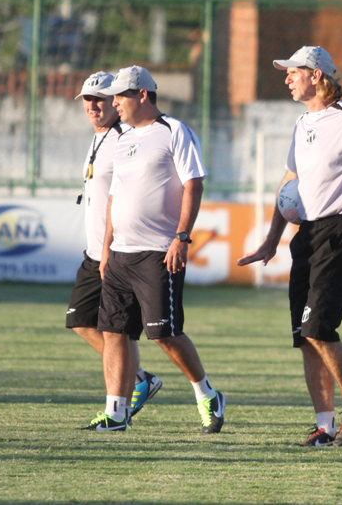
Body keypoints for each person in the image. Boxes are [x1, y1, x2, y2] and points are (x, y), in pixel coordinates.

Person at [238, 46, 342, 447]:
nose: (287, 78)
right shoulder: (302, 124)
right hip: (308, 235)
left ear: (316, 75)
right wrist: (271, 239)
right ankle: (325, 425)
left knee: (320, 326)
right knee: (304, 334)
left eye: (293, 72)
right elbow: (289, 186)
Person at [84, 65, 226, 433]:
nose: (114, 102)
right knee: (115, 332)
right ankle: (116, 413)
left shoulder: (174, 131)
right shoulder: (126, 137)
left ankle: (206, 392)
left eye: (120, 95)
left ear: (142, 95)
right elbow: (115, 195)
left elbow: (194, 184)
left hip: (158, 251)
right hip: (120, 254)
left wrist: (181, 237)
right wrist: (107, 247)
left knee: (164, 334)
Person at [68, 72, 162, 429]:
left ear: (115, 101)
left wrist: (113, 246)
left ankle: (122, 403)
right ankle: (140, 378)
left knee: (118, 330)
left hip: (115, 251)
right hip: (93, 250)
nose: (93, 106)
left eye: (100, 99)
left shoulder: (124, 137)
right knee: (80, 321)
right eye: (87, 100)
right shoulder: (98, 139)